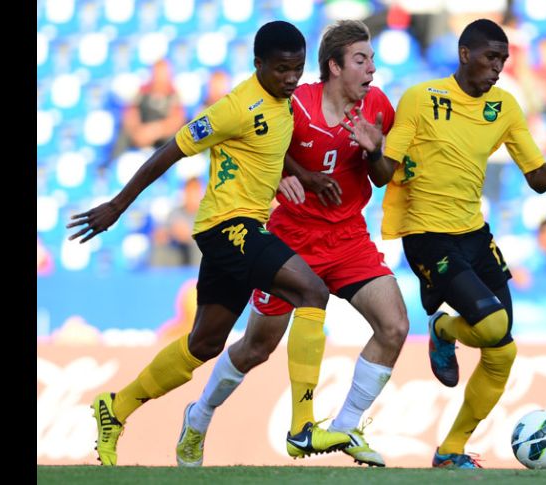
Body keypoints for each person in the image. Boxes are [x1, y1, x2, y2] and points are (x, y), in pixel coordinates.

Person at [66, 21, 349, 466]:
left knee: (205, 343)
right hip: (228, 227)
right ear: (259, 65)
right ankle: (303, 426)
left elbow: (270, 143)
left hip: (240, 231)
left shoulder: (282, 101)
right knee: (311, 290)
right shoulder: (233, 108)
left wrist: (303, 175)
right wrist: (118, 206)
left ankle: (115, 408)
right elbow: (170, 151)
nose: (292, 78)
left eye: (296, 68)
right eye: (282, 70)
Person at [175, 20, 408, 468]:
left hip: (348, 238)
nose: (372, 69)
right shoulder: (295, 103)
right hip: (292, 238)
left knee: (394, 325)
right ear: (335, 66)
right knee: (257, 347)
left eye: (373, 59)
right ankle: (199, 415)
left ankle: (344, 426)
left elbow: (383, 178)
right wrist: (287, 175)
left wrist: (375, 151)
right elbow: (262, 144)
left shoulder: (377, 106)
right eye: (362, 60)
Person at [372, 19, 546, 468]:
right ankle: (441, 329)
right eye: (490, 58)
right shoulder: (422, 98)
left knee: (503, 350)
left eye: (503, 60)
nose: (497, 68)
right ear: (464, 54)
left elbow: (536, 179)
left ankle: (451, 450)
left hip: (475, 235)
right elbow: (383, 173)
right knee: (493, 327)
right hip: (427, 236)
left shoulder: (505, 106)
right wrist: (369, 149)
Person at [108, 59, 187, 166]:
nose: (160, 78)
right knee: (123, 133)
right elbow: (130, 114)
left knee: (174, 140)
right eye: (158, 74)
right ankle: (113, 167)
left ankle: (170, 172)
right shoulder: (142, 91)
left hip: (161, 135)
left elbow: (177, 121)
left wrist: (155, 131)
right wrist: (137, 132)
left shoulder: (174, 94)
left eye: (163, 74)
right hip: (141, 131)